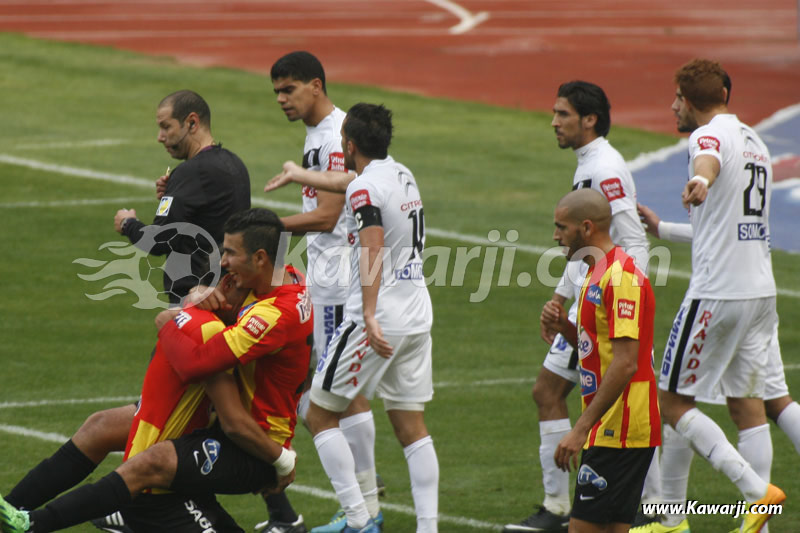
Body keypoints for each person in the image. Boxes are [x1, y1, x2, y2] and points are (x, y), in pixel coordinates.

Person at [0, 208, 313, 532]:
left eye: (231, 254)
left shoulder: (274, 314)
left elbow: (197, 363)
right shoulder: (280, 276)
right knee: (101, 427)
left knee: (153, 463)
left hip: (254, 444)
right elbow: (211, 303)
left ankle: (35, 523)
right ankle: (9, 509)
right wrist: (194, 296)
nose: (224, 264)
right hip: (222, 422)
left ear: (260, 258)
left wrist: (167, 322)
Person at [635, 59, 786, 533]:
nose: (672, 107)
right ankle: (707, 522)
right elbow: (728, 225)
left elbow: (707, 164)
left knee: (673, 402)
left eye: (676, 98)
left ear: (689, 99)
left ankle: (755, 494)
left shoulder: (707, 136)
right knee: (747, 403)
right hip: (760, 293)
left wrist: (700, 180)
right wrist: (663, 228)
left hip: (717, 294)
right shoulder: (755, 141)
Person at [503, 81, 657, 533]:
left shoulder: (603, 170)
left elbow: (630, 239)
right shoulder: (592, 166)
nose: (553, 122)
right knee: (551, 392)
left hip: (608, 299)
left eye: (562, 114)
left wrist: (611, 296)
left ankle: (651, 506)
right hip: (596, 293)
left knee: (606, 391)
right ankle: (572, 505)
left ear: (589, 119)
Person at [302, 103, 438, 533]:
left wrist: (367, 313)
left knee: (319, 413)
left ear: (349, 144)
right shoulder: (403, 175)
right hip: (418, 316)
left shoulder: (363, 190)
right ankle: (428, 528)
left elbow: (371, 250)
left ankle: (360, 521)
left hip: (382, 319)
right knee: (412, 428)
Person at [266, 51, 382, 533]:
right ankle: (365, 507)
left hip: (337, 286)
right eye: (276, 92)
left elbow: (328, 216)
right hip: (326, 279)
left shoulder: (335, 136)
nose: (281, 100)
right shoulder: (319, 135)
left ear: (316, 85)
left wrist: (262, 228)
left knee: (336, 396)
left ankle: (364, 511)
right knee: (330, 393)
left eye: (289, 89)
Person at [540, 188, 660, 533]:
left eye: (562, 227)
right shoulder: (596, 272)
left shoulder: (619, 277)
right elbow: (597, 353)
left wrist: (579, 430)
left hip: (619, 429)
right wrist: (564, 327)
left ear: (587, 228)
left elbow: (625, 363)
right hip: (610, 427)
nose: (556, 235)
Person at [114, 89, 251, 305]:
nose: (160, 137)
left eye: (166, 127)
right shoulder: (235, 164)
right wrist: (174, 196)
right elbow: (210, 218)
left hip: (198, 301)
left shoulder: (191, 172)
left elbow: (159, 240)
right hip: (232, 296)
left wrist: (127, 223)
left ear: (192, 123)